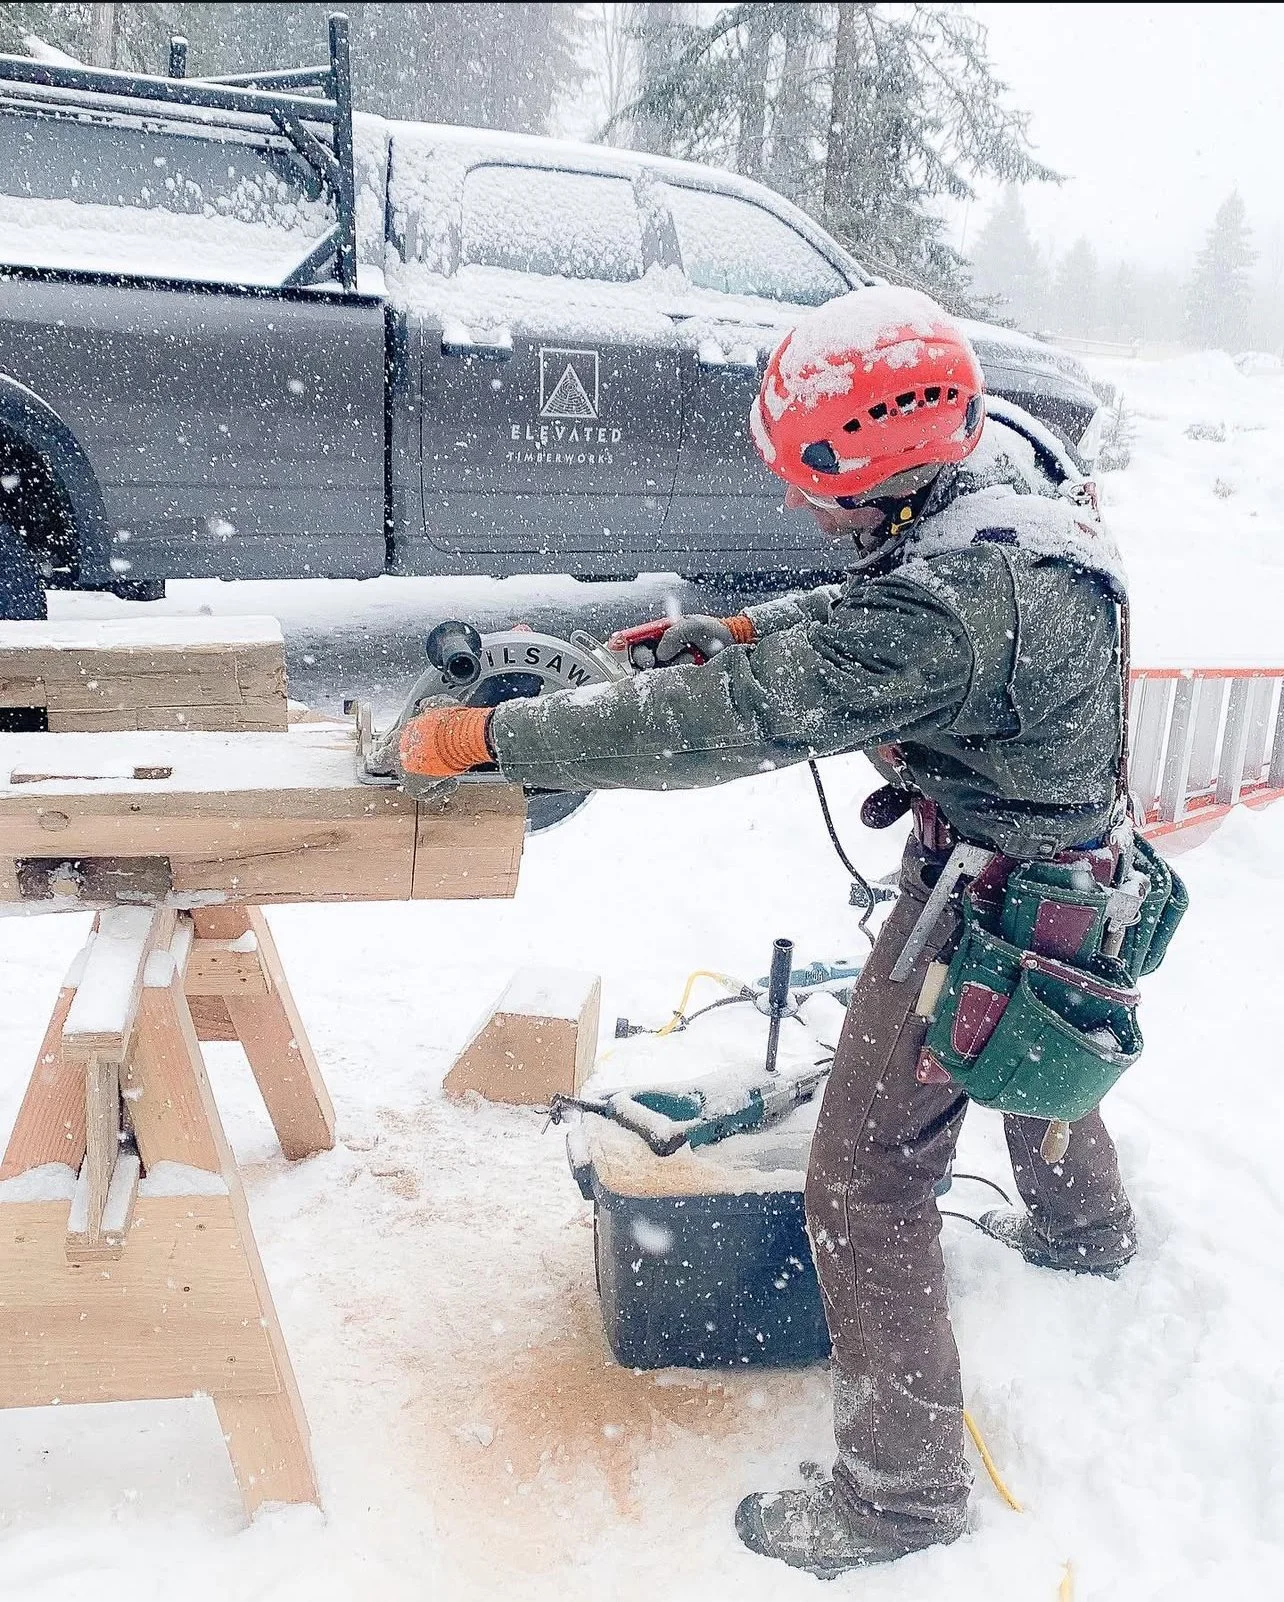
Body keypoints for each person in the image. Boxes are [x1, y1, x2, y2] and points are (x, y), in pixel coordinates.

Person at [397, 286, 1138, 1576]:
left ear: (878, 460)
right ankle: (1086, 1232)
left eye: (815, 483)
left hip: (990, 894)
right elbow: (861, 623)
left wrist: (497, 736)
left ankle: (900, 1501)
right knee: (1038, 1038)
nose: (801, 508)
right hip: (1072, 869)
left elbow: (725, 721)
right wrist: (735, 630)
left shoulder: (955, 611)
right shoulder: (1006, 461)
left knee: (865, 1182)